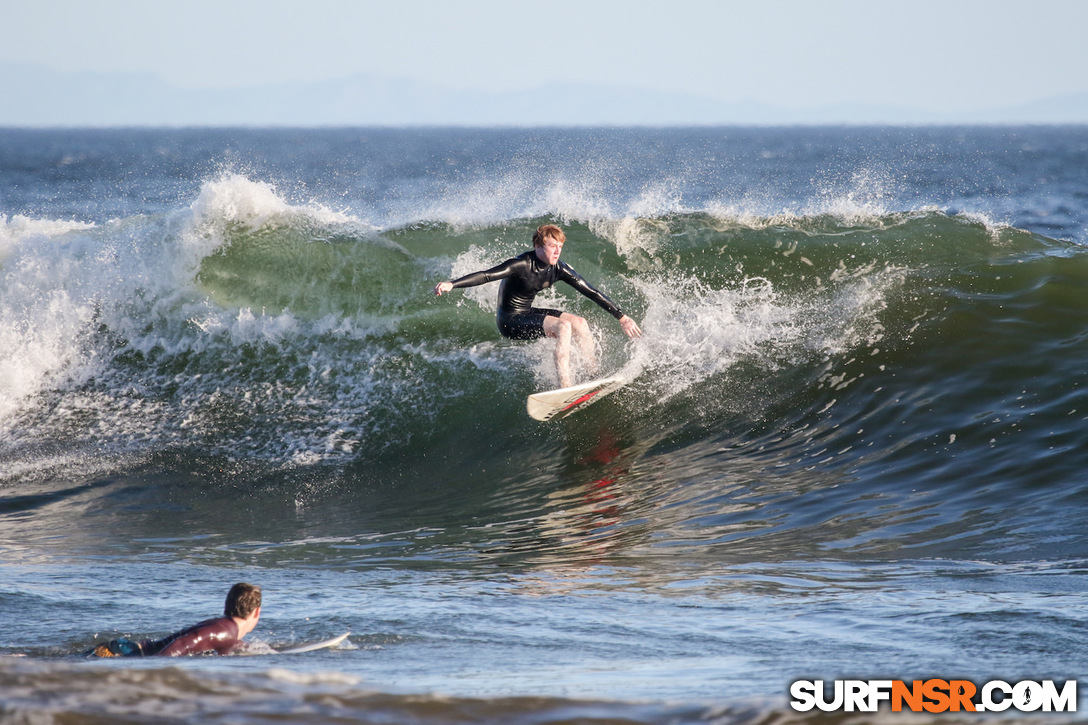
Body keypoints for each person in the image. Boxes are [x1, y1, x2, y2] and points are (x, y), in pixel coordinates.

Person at [434, 224, 642, 388]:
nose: (557, 251)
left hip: (527, 312)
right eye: (553, 246)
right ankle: (565, 386)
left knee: (579, 322)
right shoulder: (521, 264)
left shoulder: (558, 268)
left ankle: (594, 375)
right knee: (563, 327)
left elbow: (591, 291)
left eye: (560, 246)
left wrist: (621, 317)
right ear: (538, 246)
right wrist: (452, 284)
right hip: (509, 321)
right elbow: (487, 275)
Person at [90, 582, 262, 658]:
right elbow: (181, 644)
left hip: (125, 651)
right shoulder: (223, 631)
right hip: (122, 653)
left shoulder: (226, 630)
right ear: (257, 612)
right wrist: (150, 672)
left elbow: (229, 646)